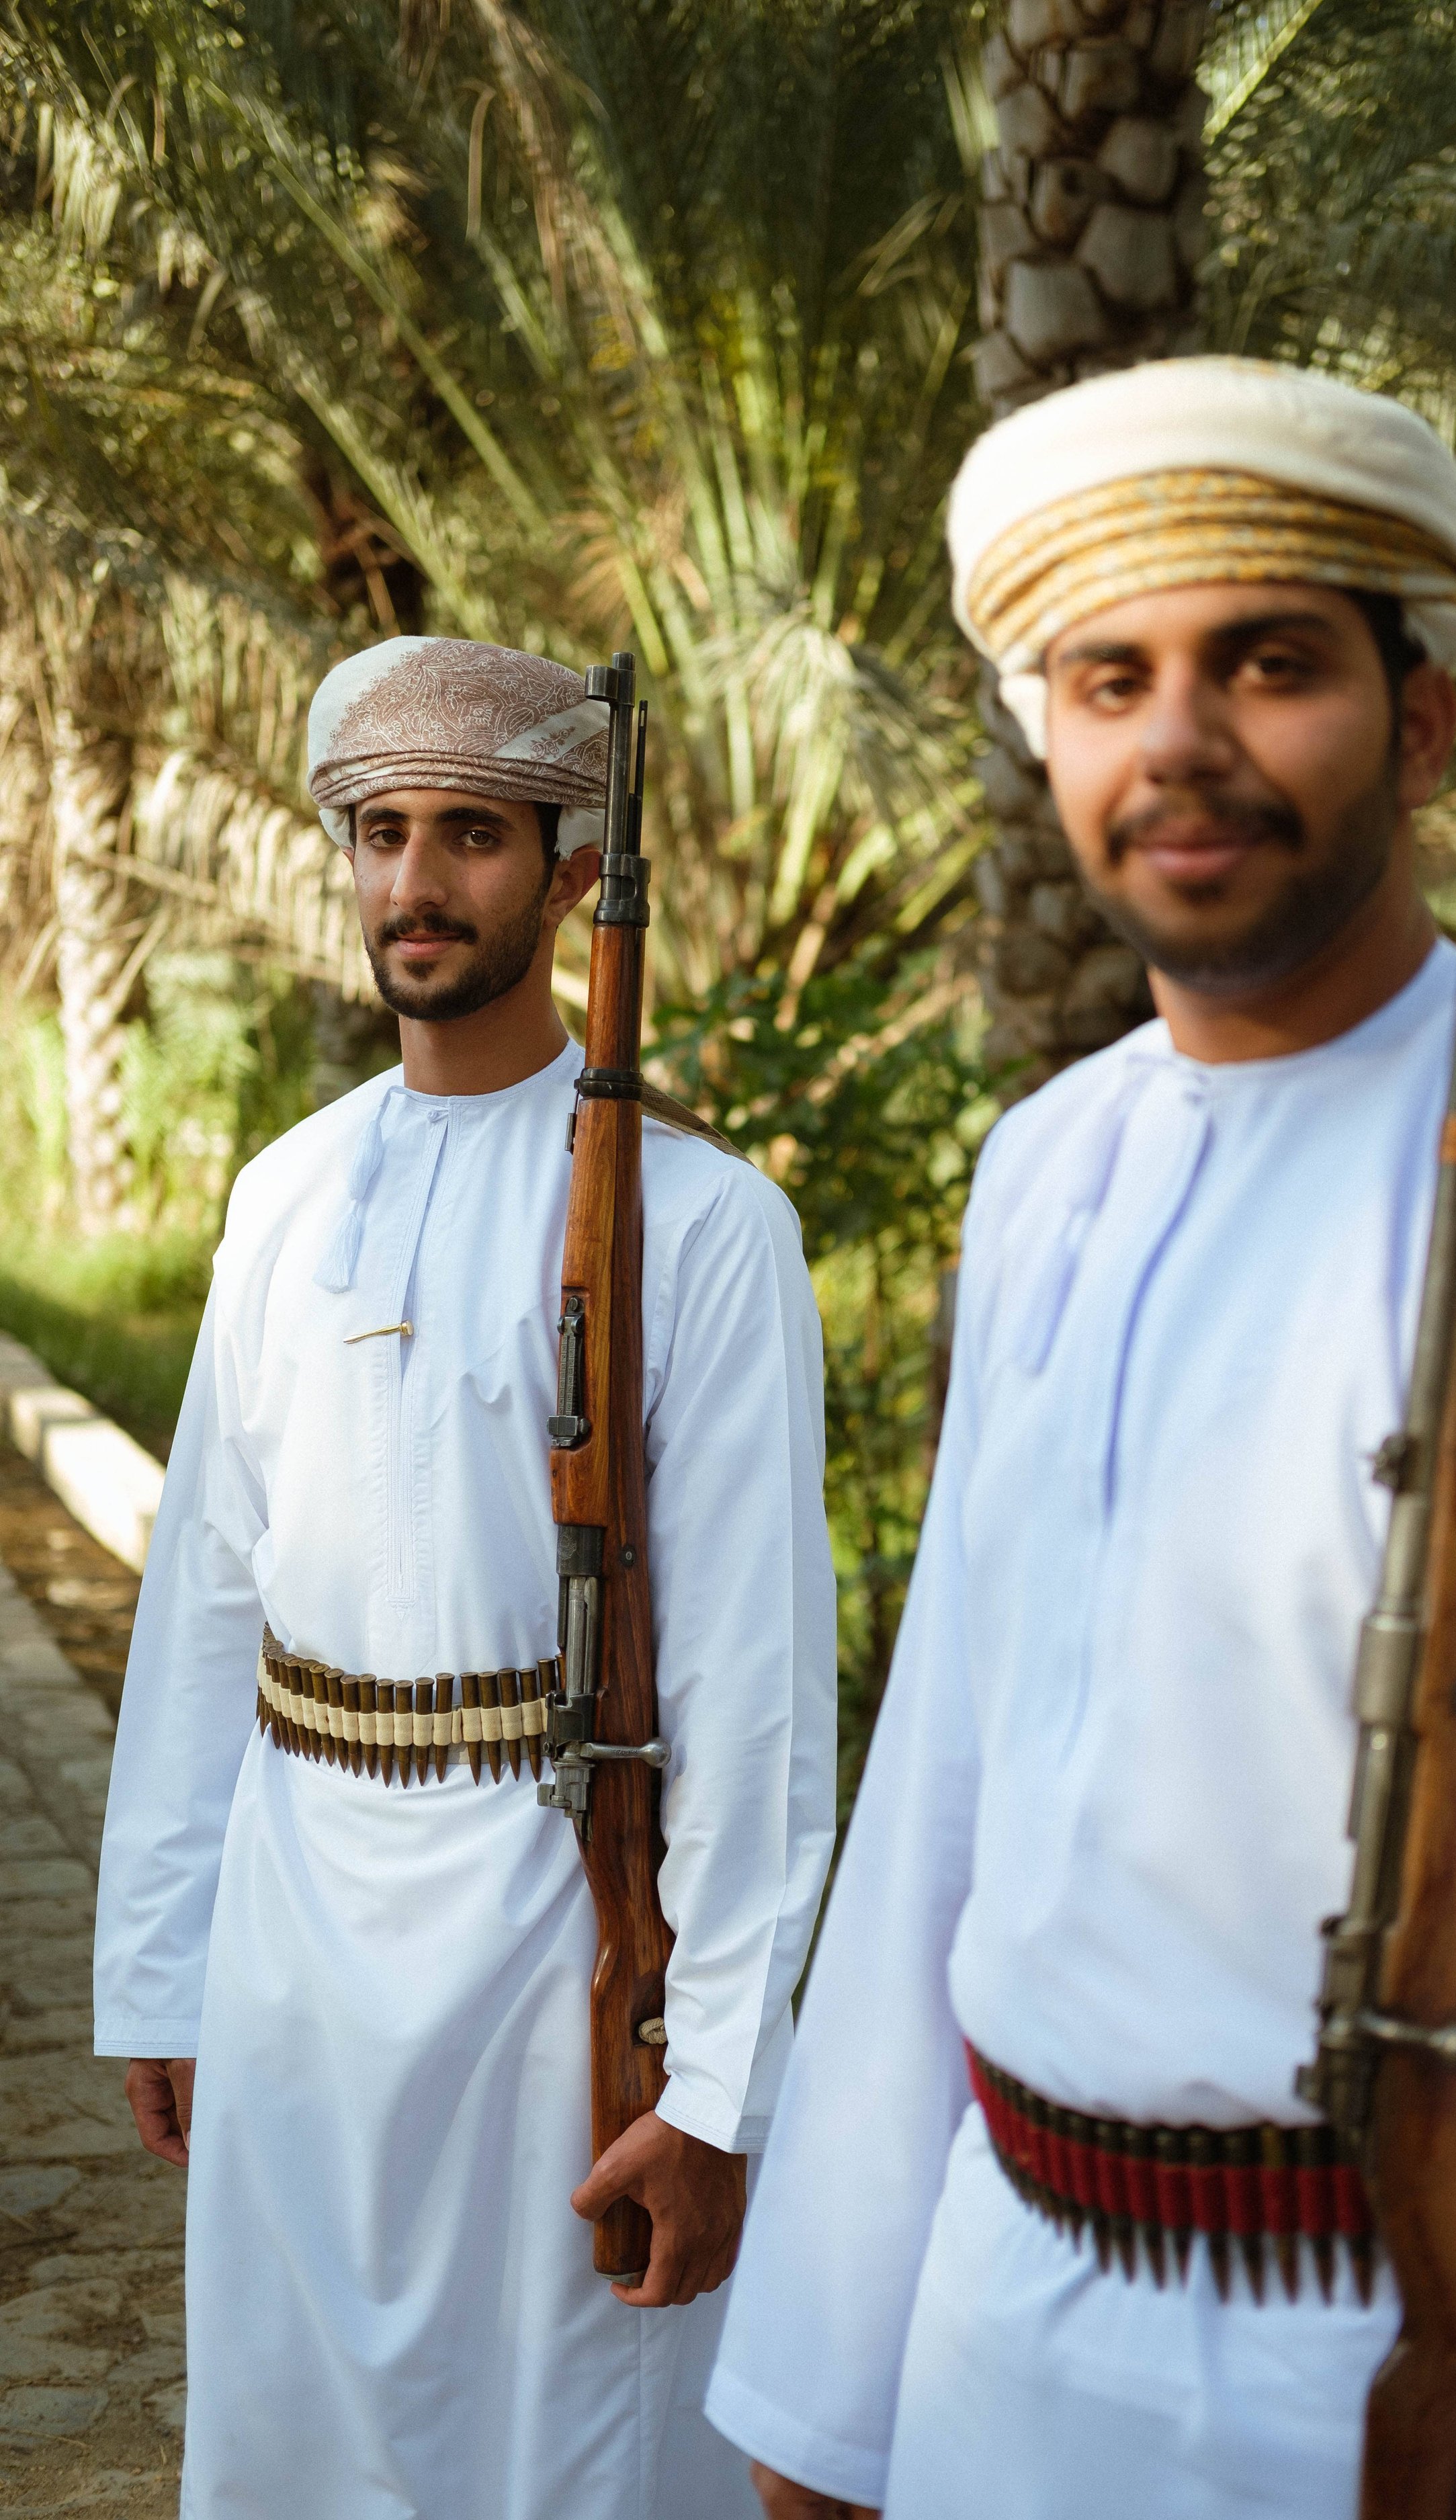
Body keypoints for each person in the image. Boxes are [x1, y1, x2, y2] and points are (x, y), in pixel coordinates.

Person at [708, 358, 1456, 2520]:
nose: (1179, 743)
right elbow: (943, 1776)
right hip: (990, 2324)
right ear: (1044, 736)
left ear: (1422, 726)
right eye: (1109, 675)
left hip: (1369, 2381)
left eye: (1267, 664)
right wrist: (829, 2376)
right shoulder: (1046, 1161)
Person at [93, 635, 837, 2520]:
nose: (415, 886)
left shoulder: (711, 1227)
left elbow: (755, 1700)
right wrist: (160, 1971)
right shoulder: (283, 1193)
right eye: (384, 836)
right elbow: (202, 1612)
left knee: (568, 2446)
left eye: (474, 838)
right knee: (292, 2436)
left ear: (574, 873)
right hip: (291, 1928)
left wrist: (718, 2087)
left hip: (553, 1947)